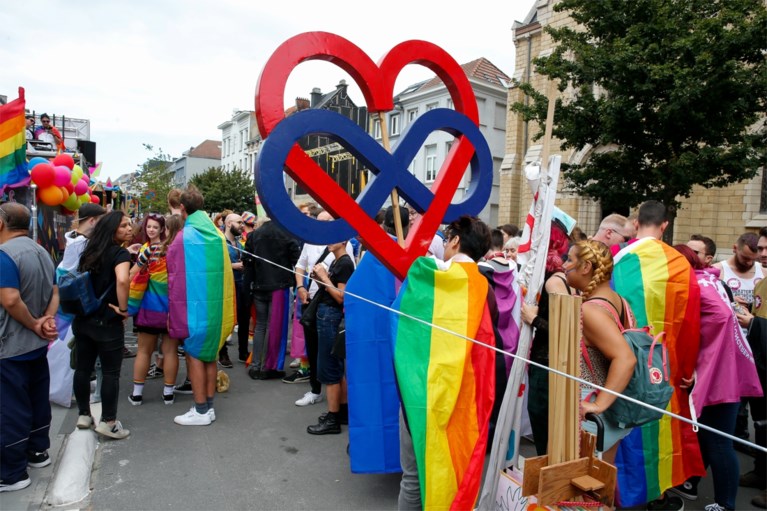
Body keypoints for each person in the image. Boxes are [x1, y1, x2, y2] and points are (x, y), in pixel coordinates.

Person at [396, 215, 495, 510]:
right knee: (455, 468)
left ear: (454, 240)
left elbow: (401, 331)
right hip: (464, 398)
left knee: (413, 475)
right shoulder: (486, 288)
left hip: (419, 393)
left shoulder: (428, 278)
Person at [668, 244, 762, 511]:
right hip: (727, 368)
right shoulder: (709, 279)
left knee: (719, 440)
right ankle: (691, 484)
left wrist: (700, 370)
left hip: (722, 373)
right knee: (708, 434)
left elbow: (719, 320)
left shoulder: (698, 285)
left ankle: (725, 504)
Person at [0, 203, 59, 493]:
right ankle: (38, 452)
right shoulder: (41, 252)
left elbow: (10, 300)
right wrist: (46, 319)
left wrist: (36, 323)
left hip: (10, 344)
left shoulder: (4, 255)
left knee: (9, 406)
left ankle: (11, 473)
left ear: (2, 223)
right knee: (36, 399)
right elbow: (56, 290)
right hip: (35, 345)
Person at [565, 240, 637, 463]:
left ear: (586, 267)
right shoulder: (619, 301)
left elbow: (626, 358)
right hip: (608, 412)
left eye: (569, 259)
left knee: (582, 489)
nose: (564, 264)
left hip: (590, 410)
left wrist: (598, 404)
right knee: (599, 483)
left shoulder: (591, 309)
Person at [168, 187, 234, 426]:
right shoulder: (215, 233)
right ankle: (208, 407)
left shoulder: (185, 236)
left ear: (183, 208)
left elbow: (173, 273)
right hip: (215, 307)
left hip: (194, 307)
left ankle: (200, 410)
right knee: (209, 355)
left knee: (194, 354)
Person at [72, 211, 133, 439]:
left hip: (83, 319)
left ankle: (84, 415)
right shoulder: (120, 253)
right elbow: (122, 279)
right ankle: (109, 422)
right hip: (107, 321)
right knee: (110, 373)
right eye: (124, 226)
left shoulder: (89, 251)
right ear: (111, 229)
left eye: (129, 225)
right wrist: (124, 309)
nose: (129, 229)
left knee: (83, 368)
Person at [520, 220, 574, 455]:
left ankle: (550, 488)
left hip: (548, 365)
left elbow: (564, 329)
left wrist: (532, 319)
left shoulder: (555, 281)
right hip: (552, 364)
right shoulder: (559, 278)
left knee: (545, 431)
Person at [306, 238, 355, 435]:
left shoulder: (344, 263)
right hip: (327, 315)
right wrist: (320, 278)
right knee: (333, 365)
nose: (328, 241)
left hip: (331, 316)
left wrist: (324, 277)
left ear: (343, 240)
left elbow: (341, 297)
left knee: (329, 367)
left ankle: (333, 418)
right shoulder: (337, 260)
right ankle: (341, 411)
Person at [128, 213, 176, 405]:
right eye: (149, 226)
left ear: (163, 229)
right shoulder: (171, 250)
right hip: (171, 308)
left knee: (143, 351)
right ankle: (168, 394)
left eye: (155, 227)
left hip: (149, 307)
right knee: (170, 351)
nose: (151, 230)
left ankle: (137, 394)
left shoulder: (147, 250)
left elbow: (133, 273)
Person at [244, 218, 300, 380]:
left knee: (261, 325)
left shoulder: (254, 235)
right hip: (279, 286)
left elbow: (248, 261)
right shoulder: (286, 233)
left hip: (259, 285)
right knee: (273, 327)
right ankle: (268, 367)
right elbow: (296, 259)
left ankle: (256, 365)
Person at [735, 272, 767, 509]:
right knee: (762, 423)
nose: (763, 254)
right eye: (762, 249)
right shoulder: (763, 282)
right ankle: (762, 472)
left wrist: (754, 323)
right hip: (762, 364)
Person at [219, 213, 245, 368]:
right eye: (239, 222)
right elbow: (215, 265)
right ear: (229, 223)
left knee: (243, 317)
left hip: (241, 284)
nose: (242, 225)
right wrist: (233, 266)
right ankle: (223, 353)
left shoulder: (239, 243)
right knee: (225, 319)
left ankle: (243, 352)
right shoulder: (220, 241)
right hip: (227, 285)